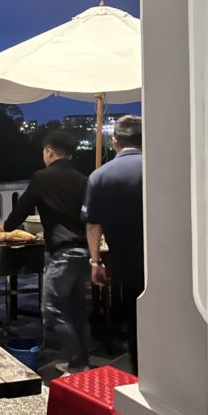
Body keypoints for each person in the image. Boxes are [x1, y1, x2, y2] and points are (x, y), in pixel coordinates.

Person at [0, 131, 90, 373]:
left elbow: (22, 209)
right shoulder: (83, 179)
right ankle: (80, 362)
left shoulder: (41, 178)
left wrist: (5, 227)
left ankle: (77, 364)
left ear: (49, 151)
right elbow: (89, 216)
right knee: (76, 310)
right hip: (84, 251)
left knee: (52, 310)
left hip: (62, 253)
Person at [83, 114, 144, 374]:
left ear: (114, 141)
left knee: (135, 323)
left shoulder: (100, 176)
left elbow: (93, 225)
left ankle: (140, 377)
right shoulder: (162, 168)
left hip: (124, 266)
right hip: (168, 262)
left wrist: (95, 262)